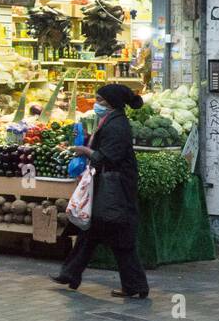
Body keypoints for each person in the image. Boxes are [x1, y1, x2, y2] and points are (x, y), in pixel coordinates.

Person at [52, 83, 149, 299]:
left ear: (111, 103)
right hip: (110, 188)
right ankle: (70, 274)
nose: (97, 103)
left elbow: (107, 157)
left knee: (119, 238)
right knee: (91, 232)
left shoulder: (117, 126)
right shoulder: (112, 120)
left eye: (100, 99)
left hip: (116, 190)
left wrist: (85, 150)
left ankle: (135, 285)